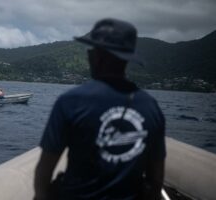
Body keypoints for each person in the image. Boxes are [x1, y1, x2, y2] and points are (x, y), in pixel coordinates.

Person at [34, 18, 166, 200]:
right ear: (126, 59)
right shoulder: (151, 107)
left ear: (98, 56)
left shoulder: (70, 101)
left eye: (92, 50)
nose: (89, 55)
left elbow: (44, 171)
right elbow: (156, 180)